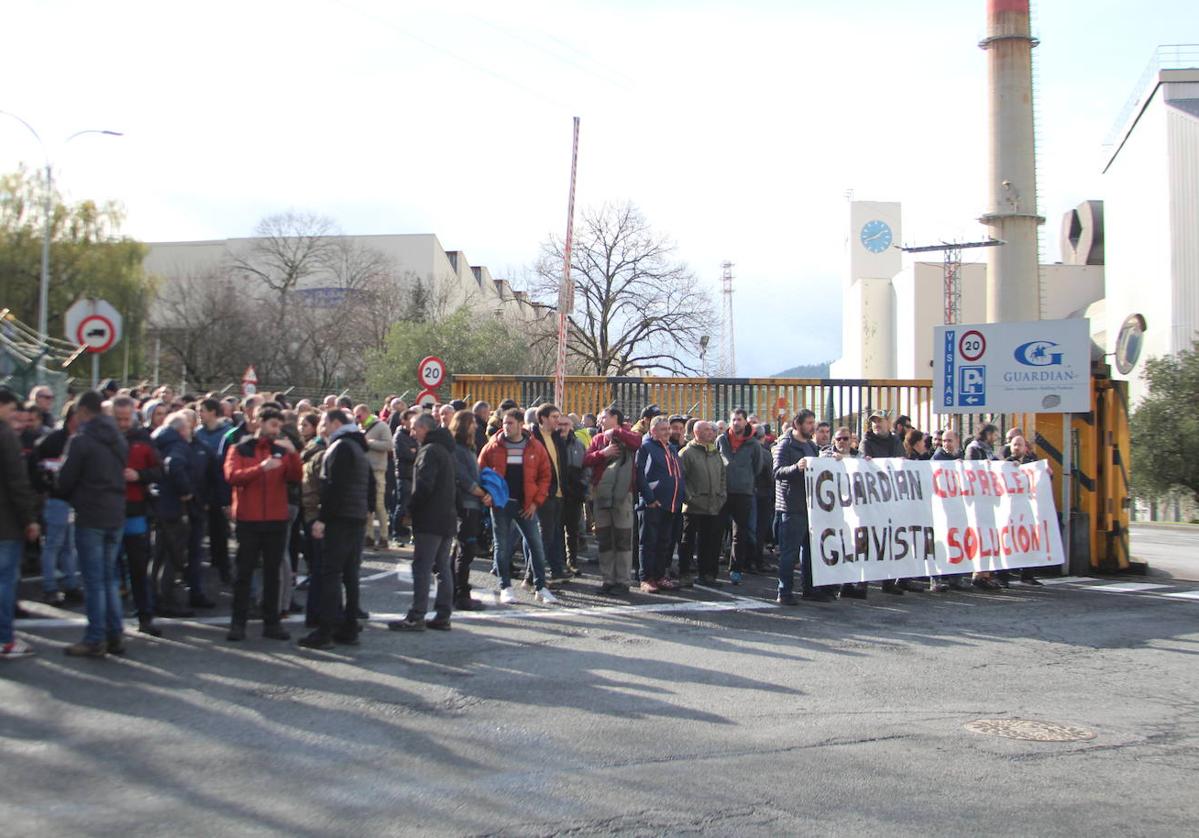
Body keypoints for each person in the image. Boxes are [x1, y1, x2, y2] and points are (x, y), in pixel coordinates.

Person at [57, 390, 129, 657]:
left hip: (91, 515)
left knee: (95, 580)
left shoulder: (81, 441)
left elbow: (64, 481)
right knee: (109, 578)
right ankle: (114, 633)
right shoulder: (119, 439)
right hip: (115, 512)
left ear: (83, 412)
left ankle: (95, 637)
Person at [224, 406, 301, 642]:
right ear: (260, 423)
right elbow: (232, 476)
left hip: (275, 520)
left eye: (279, 425)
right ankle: (238, 624)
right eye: (273, 425)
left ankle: (272, 622)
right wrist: (261, 468)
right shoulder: (239, 448)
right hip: (249, 520)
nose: (277, 430)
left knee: (272, 574)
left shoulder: (282, 450)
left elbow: (296, 477)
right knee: (244, 574)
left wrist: (294, 454)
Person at [301, 409, 371, 648]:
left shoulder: (340, 447)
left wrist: (323, 518)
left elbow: (333, 487)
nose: (322, 426)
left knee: (331, 574)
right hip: (356, 517)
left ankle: (325, 631)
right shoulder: (358, 447)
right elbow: (369, 486)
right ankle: (349, 628)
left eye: (324, 422)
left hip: (340, 518)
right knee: (350, 575)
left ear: (335, 423)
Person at [477, 408, 558, 604]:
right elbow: (480, 470)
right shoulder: (493, 446)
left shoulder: (535, 447)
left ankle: (541, 587)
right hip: (500, 505)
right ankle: (505, 587)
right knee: (501, 546)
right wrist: (486, 494)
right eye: (504, 423)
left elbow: (545, 476)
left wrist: (536, 502)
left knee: (535, 545)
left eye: (510, 423)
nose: (506, 426)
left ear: (521, 425)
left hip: (526, 505)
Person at [390, 414, 458, 631]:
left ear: (424, 429)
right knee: (442, 567)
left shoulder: (429, 451)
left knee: (422, 567)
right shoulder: (446, 450)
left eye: (414, 429)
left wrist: (411, 509)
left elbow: (424, 486)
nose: (412, 433)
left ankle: (417, 615)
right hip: (446, 517)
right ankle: (443, 615)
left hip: (430, 518)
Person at [112, 396, 164, 635]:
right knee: (109, 571)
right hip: (108, 513)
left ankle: (145, 616)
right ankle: (111, 623)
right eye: (118, 419)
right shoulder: (103, 437)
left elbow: (159, 470)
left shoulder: (143, 439)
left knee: (138, 567)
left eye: (126, 419)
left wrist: (140, 475)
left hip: (135, 511)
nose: (123, 424)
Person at [583, 408, 641, 595]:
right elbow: (586, 460)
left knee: (623, 539)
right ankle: (608, 580)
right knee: (605, 539)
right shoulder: (597, 440)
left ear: (615, 418)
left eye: (603, 417)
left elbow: (637, 442)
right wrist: (603, 453)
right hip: (601, 493)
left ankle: (623, 582)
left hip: (623, 494)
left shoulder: (628, 435)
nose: (599, 421)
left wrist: (615, 432)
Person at [29, 401, 82, 605]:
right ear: (72, 418)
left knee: (68, 546)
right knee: (53, 544)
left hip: (72, 501)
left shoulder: (77, 439)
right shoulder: (52, 440)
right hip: (57, 499)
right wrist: (47, 482)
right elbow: (38, 466)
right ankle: (50, 586)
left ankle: (70, 584)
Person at [773, 409, 828, 604]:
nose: (812, 426)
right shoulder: (785, 445)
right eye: (809, 423)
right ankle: (784, 591)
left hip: (810, 506)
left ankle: (809, 589)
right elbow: (777, 472)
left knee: (811, 552)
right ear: (797, 424)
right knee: (790, 552)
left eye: (813, 422)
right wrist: (796, 467)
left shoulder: (812, 447)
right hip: (791, 506)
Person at [0, 389, 40, 659]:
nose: (15, 415)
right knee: (4, 582)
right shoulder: (6, 437)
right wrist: (29, 519)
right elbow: (17, 482)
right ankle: (5, 639)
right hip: (6, 523)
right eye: (12, 409)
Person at [151, 412, 198, 618]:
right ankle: (167, 599)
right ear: (181, 429)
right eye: (188, 427)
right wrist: (186, 491)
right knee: (172, 556)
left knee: (158, 556)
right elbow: (175, 466)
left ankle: (154, 597)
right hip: (172, 507)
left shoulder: (157, 440)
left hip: (158, 505)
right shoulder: (177, 445)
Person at [635, 416, 685, 593]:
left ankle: (659, 575)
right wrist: (649, 498)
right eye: (663, 429)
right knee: (648, 542)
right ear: (653, 431)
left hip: (671, 504)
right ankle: (646, 577)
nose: (667, 432)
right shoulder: (645, 447)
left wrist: (681, 497)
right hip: (653, 504)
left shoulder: (671, 448)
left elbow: (678, 475)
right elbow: (640, 474)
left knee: (664, 542)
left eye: (668, 429)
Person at [448, 410, 492, 612]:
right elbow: (463, 478)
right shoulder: (457, 449)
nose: (475, 426)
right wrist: (482, 493)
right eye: (472, 423)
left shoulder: (468, 448)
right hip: (465, 505)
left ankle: (452, 590)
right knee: (465, 551)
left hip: (471, 504)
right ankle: (461, 594)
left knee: (461, 550)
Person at [716, 409, 762, 585]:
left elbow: (757, 467)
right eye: (733, 419)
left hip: (743, 493)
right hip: (722, 492)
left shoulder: (754, 444)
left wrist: (745, 480)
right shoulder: (721, 440)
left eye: (739, 419)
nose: (736, 423)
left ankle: (736, 569)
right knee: (717, 530)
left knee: (739, 533)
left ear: (745, 422)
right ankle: (712, 568)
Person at [678, 421, 726, 588]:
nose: (711, 432)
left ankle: (708, 574)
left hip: (713, 505)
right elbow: (681, 478)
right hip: (693, 506)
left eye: (712, 430)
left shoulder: (716, 454)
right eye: (707, 430)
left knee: (711, 541)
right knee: (688, 541)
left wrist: (721, 496)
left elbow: (722, 477)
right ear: (696, 432)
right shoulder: (686, 453)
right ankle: (684, 573)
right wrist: (690, 498)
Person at [529, 404, 571, 583]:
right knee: (544, 536)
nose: (558, 421)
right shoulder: (533, 438)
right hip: (544, 493)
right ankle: (531, 576)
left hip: (559, 493)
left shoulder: (557, 437)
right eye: (554, 417)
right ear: (542, 418)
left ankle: (556, 570)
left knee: (555, 535)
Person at [196, 397, 233, 583]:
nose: (199, 414)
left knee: (220, 532)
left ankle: (224, 569)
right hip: (201, 490)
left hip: (219, 489)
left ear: (212, 412)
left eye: (201, 410)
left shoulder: (226, 433)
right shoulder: (198, 434)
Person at [558, 413, 588, 576]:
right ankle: (560, 563)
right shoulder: (552, 443)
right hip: (556, 494)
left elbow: (586, 466)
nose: (563, 427)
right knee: (557, 529)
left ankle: (572, 562)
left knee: (572, 530)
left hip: (574, 494)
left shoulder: (578, 444)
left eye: (566, 424)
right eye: (560, 424)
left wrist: (583, 485)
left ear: (571, 426)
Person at [392, 408, 419, 546]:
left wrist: (414, 451)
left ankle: (412, 534)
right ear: (403, 421)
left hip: (414, 476)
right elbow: (406, 455)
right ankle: (396, 532)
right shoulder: (399, 436)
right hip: (404, 475)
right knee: (402, 504)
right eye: (411, 419)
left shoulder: (414, 436)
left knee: (414, 506)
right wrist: (413, 452)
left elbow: (418, 452)